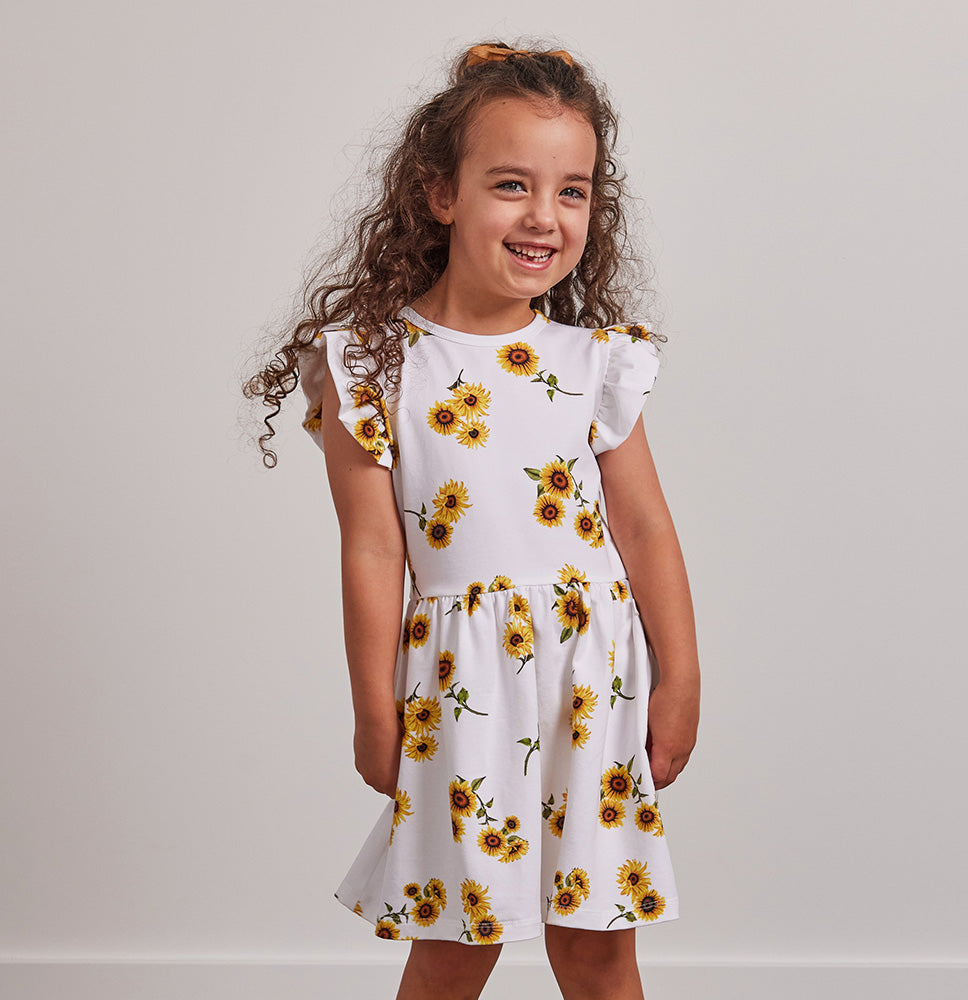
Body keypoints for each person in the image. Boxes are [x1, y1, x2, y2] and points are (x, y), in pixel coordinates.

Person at [243, 39, 700, 1000]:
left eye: (572, 192)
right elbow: (373, 549)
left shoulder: (595, 363)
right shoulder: (373, 366)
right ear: (440, 193)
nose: (544, 216)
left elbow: (647, 529)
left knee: (598, 946)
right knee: (456, 942)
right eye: (511, 185)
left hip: (594, 680)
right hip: (462, 688)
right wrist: (374, 710)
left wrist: (682, 677)